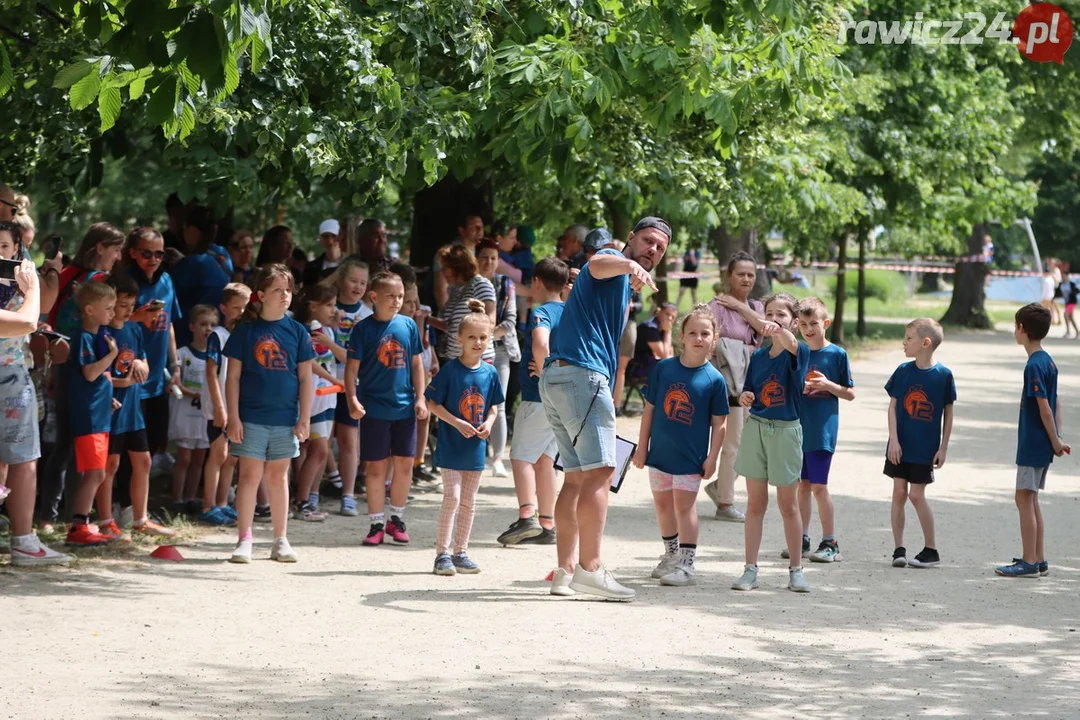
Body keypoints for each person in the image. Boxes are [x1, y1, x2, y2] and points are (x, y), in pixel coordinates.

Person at [540, 217, 669, 600]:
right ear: (631, 238)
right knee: (601, 470)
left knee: (577, 477)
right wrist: (629, 264)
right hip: (582, 375)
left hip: (560, 376)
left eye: (659, 248)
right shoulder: (613, 258)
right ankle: (591, 569)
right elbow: (598, 262)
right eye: (647, 241)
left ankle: (565, 572)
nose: (652, 250)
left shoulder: (619, 280)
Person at [632, 306, 729, 587]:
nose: (699, 338)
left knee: (684, 507)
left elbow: (719, 424)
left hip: (690, 457)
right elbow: (649, 410)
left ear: (714, 338)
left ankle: (687, 564)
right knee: (663, 505)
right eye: (693, 333)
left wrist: (713, 458)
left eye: (705, 333)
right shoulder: (663, 368)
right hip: (660, 454)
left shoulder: (714, 380)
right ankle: (671, 556)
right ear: (682, 337)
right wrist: (642, 447)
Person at [224, 264, 314, 563]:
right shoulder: (245, 331)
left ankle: (280, 539)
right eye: (278, 289)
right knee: (249, 476)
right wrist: (233, 417)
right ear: (261, 295)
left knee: (278, 477)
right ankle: (245, 539)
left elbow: (305, 378)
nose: (285, 295)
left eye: (288, 289)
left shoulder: (298, 331)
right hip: (250, 417)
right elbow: (232, 378)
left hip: (285, 419)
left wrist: (304, 418)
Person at [39, 223, 125, 527]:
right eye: (115, 249)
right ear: (100, 247)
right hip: (85, 368)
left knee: (63, 442)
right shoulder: (98, 282)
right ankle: (76, 519)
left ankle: (47, 516)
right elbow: (102, 339)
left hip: (60, 357)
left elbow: (48, 313)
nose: (118, 256)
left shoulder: (65, 273)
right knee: (83, 450)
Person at [729, 293, 811, 594]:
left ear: (795, 322)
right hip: (757, 429)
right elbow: (750, 391)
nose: (774, 319)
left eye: (782, 315)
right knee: (755, 505)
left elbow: (788, 342)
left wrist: (780, 331)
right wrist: (745, 397)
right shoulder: (759, 356)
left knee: (788, 506)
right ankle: (750, 570)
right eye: (770, 313)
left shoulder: (797, 350)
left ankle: (796, 570)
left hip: (787, 432)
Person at [0, 223, 70, 565]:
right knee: (22, 458)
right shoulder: (21, 287)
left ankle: (23, 540)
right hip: (10, 379)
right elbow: (29, 320)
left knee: (18, 458)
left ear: (16, 250)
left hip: (14, 378)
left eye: (4, 246)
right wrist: (32, 289)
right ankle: (23, 542)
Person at [345, 272, 427, 545]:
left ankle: (396, 519)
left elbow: (417, 364)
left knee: (405, 463)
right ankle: (376, 522)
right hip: (374, 409)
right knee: (376, 468)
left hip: (404, 408)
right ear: (373, 297)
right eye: (390, 295)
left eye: (400, 296)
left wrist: (420, 397)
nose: (397, 301)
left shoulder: (408, 326)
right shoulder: (362, 329)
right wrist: (352, 399)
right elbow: (351, 368)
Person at [425, 300, 504, 576]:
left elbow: (494, 406)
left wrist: (490, 423)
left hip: (475, 449)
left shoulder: (490, 372)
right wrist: (457, 423)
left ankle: (461, 552)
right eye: (472, 337)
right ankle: (442, 554)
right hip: (450, 446)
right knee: (453, 498)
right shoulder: (449, 370)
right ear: (459, 339)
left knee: (469, 502)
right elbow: (432, 404)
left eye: (483, 337)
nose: (478, 342)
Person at [995, 304, 1071, 578]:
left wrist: (1053, 440)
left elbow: (1045, 408)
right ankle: (1038, 558)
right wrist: (1058, 438)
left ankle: (1028, 562)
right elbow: (1057, 402)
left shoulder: (1034, 365)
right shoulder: (1048, 361)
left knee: (1023, 498)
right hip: (1044, 443)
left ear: (1021, 330)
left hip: (1033, 443)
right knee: (1032, 498)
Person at [498, 257, 569, 546]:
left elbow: (541, 343)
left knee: (520, 457)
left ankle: (527, 515)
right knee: (544, 461)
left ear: (537, 282)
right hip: (563, 399)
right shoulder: (572, 312)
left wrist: (544, 368)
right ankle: (548, 525)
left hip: (538, 397)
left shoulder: (542, 313)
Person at [100, 272, 173, 537]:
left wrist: (142, 363)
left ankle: (140, 519)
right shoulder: (104, 333)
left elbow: (143, 358)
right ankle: (106, 520)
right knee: (110, 466)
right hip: (113, 408)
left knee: (143, 461)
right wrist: (123, 384)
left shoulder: (133, 328)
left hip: (133, 409)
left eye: (131, 306)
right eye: (122, 305)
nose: (128, 311)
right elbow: (98, 376)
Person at [703, 252, 769, 523]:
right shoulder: (715, 306)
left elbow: (764, 328)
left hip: (751, 382)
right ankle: (725, 503)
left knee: (752, 443)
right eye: (740, 273)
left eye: (750, 274)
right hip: (726, 383)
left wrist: (739, 307)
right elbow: (706, 340)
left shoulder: (755, 306)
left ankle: (721, 488)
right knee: (734, 443)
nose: (746, 278)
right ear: (729, 275)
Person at [885, 318, 955, 570]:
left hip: (924, 448)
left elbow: (948, 413)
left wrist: (943, 447)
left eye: (909, 338)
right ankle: (899, 549)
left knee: (916, 494)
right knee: (899, 493)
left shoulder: (944, 376)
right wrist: (893, 439)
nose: (904, 343)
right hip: (899, 446)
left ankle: (931, 549)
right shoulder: (903, 371)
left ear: (925, 343)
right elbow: (892, 407)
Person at [790, 297, 854, 564]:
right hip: (796, 429)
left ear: (825, 323)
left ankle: (830, 541)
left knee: (818, 486)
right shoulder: (798, 352)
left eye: (813, 323)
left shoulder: (837, 354)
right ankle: (802, 537)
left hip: (822, 431)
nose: (808, 329)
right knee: (801, 486)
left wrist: (828, 385)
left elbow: (849, 393)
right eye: (803, 324)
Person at [65, 281, 121, 546]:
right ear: (89, 309)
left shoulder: (96, 335)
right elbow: (89, 373)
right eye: (108, 308)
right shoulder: (84, 338)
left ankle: (81, 524)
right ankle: (79, 527)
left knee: (95, 472)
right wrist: (112, 355)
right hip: (88, 417)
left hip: (99, 413)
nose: (112, 313)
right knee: (96, 473)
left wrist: (108, 399)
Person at [123, 227, 182, 473]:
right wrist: (136, 317)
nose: (154, 260)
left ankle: (139, 506)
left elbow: (168, 325)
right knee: (130, 448)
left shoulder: (166, 280)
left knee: (155, 440)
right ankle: (121, 503)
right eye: (147, 254)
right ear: (133, 253)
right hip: (129, 376)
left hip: (157, 377)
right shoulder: (124, 281)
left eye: (160, 254)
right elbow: (111, 324)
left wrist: (175, 365)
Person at [199, 283, 251, 526]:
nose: (241, 312)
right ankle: (208, 505)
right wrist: (220, 408)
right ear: (224, 308)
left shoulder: (244, 335)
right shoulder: (217, 336)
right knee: (218, 454)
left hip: (237, 408)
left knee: (231, 458)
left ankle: (222, 502)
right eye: (236, 308)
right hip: (219, 407)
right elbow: (211, 372)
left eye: (246, 307)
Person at [290, 283, 340, 522]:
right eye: (329, 305)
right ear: (312, 307)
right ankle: (298, 501)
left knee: (319, 450)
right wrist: (333, 379)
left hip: (326, 399)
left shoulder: (328, 333)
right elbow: (308, 363)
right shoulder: (299, 331)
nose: (334, 310)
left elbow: (344, 357)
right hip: (305, 399)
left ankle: (305, 499)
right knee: (299, 449)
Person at [330, 258, 372, 515]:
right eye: (352, 280)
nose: (357, 287)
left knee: (348, 440)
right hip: (322, 382)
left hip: (351, 384)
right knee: (319, 442)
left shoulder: (367, 315)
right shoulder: (326, 306)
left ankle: (348, 494)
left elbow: (361, 357)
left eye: (363, 283)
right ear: (340, 280)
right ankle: (309, 495)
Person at [476, 238, 519, 477]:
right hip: (471, 352)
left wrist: (482, 336)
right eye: (484, 257)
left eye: (493, 258)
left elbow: (510, 321)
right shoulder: (470, 284)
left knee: (498, 405)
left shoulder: (505, 284)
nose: (489, 262)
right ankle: (476, 455)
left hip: (500, 350)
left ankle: (497, 457)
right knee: (473, 403)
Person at [169, 304, 216, 514]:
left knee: (199, 458)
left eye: (212, 325)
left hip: (204, 416)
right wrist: (194, 394)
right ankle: (177, 499)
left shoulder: (215, 357)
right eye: (203, 324)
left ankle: (191, 498)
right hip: (186, 415)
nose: (208, 329)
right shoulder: (182, 354)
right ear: (192, 326)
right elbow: (176, 383)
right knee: (184, 458)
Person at [169, 205, 231, 348]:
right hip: (217, 335)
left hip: (190, 339)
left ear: (191, 230)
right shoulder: (222, 256)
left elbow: (168, 290)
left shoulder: (193, 263)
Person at [437, 244, 497, 364]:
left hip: (477, 361)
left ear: (458, 265)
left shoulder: (480, 284)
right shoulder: (454, 290)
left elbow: (490, 321)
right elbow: (451, 326)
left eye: (445, 266)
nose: (442, 271)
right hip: (455, 361)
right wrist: (425, 318)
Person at [433, 212, 485, 311]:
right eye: (474, 227)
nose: (480, 231)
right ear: (462, 230)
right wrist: (446, 316)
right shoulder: (449, 254)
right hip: (454, 313)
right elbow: (441, 289)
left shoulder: (484, 253)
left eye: (481, 227)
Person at [303, 219, 345, 286]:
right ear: (320, 239)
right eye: (325, 236)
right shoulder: (311, 267)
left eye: (334, 236)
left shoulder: (350, 263)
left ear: (340, 237)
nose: (330, 241)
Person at [1059, 271, 1078, 339]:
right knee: (1071, 318)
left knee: (1065, 314)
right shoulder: (1061, 284)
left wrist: (1073, 293)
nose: (1063, 277)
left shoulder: (1071, 284)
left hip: (1072, 302)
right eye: (1062, 276)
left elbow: (1076, 291)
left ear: (1067, 276)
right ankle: (1078, 332)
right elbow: (1058, 292)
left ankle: (1068, 332)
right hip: (1067, 303)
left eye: (1064, 276)